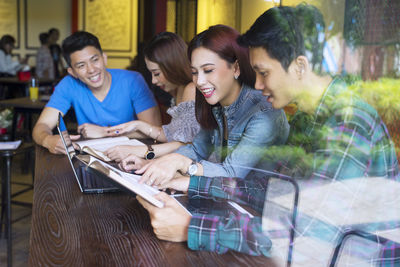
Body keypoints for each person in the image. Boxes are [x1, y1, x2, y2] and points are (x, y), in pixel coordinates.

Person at [135, 5, 400, 259]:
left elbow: (303, 235)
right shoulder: (308, 119)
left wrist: (191, 228)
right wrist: (194, 184)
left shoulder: (349, 123)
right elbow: (274, 190)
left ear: (299, 66)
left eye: (263, 73)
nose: (258, 84)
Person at [125, 24, 289, 184]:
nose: (200, 82)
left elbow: (232, 173)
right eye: (195, 72)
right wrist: (153, 164)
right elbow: (198, 149)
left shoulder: (264, 111)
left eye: (208, 70)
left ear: (236, 68)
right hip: (223, 196)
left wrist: (182, 164)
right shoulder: (214, 102)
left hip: (260, 204)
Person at [32, 31, 161, 154]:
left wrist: (105, 132)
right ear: (72, 72)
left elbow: (154, 129)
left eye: (95, 60)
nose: (91, 70)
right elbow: (42, 125)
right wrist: (48, 140)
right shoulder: (69, 84)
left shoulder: (132, 80)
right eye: (81, 65)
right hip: (92, 157)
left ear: (104, 58)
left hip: (135, 153)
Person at [104, 32, 200, 163]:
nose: (154, 81)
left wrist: (141, 151)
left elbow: (188, 146)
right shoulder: (178, 91)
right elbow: (174, 136)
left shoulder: (191, 89)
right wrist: (137, 125)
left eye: (156, 73)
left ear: (172, 66)